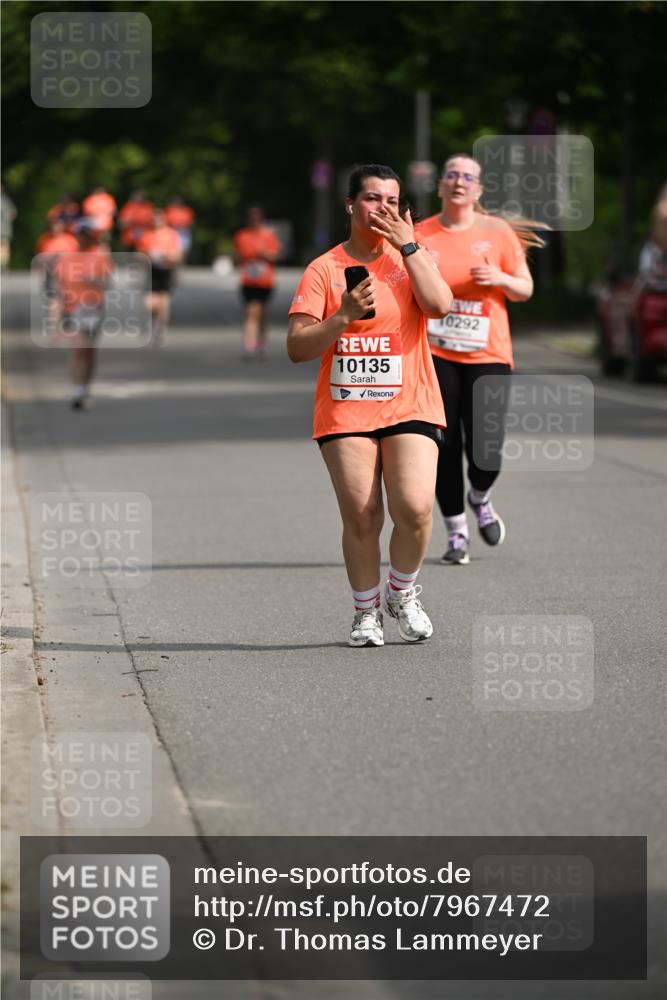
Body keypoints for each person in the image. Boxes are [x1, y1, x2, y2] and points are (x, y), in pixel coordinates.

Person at [287, 164, 452, 647]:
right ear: (350, 205)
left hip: (411, 403)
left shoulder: (412, 258)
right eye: (372, 198)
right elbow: (298, 348)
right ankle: (366, 614)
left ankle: (401, 592)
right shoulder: (324, 268)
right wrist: (342, 316)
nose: (382, 208)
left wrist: (411, 247)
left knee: (416, 507)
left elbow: (440, 305)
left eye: (391, 200)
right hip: (346, 410)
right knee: (362, 515)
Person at [416, 153, 542, 566]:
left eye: (467, 177)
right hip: (435, 352)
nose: (458, 182)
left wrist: (500, 279)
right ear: (439, 185)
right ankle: (456, 533)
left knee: (487, 448)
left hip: (488, 352)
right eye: (450, 174)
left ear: (479, 189)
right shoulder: (420, 234)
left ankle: (481, 497)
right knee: (443, 444)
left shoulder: (498, 232)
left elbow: (525, 289)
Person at [52, 220, 113, 409]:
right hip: (73, 308)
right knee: (78, 348)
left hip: (93, 308)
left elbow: (108, 283)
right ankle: (77, 390)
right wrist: (56, 313)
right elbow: (57, 285)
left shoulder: (100, 256)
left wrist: (93, 281)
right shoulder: (67, 257)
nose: (82, 238)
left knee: (89, 351)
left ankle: (85, 387)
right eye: (80, 234)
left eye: (86, 235)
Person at [233, 206, 282, 359]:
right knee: (251, 312)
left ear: (262, 219)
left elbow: (276, 256)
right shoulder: (242, 236)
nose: (254, 221)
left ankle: (261, 343)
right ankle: (249, 346)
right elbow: (236, 257)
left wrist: (264, 254)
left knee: (263, 314)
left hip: (265, 280)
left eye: (257, 218)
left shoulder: (269, 235)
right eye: (251, 218)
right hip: (248, 280)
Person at [136, 209, 183, 342]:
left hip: (166, 270)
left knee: (163, 302)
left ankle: (161, 329)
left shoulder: (171, 234)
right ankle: (151, 322)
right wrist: (149, 256)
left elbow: (178, 254)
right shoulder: (147, 235)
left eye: (159, 219)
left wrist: (167, 256)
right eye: (154, 219)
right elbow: (139, 255)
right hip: (152, 270)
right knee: (149, 303)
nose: (157, 221)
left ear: (164, 219)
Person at [35, 219, 78, 329]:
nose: (55, 228)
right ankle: (54, 322)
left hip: (67, 273)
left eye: (57, 225)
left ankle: (67, 318)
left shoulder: (70, 240)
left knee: (67, 297)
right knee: (53, 297)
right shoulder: (45, 240)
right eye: (53, 225)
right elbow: (39, 256)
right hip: (51, 273)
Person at [1, 183, 17, 268]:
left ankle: (3, 265)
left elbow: (13, 214)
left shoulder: (6, 201)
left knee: (4, 247)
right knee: (4, 247)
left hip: (4, 230)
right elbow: (13, 214)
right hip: (5, 229)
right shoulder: (6, 201)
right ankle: (3, 265)